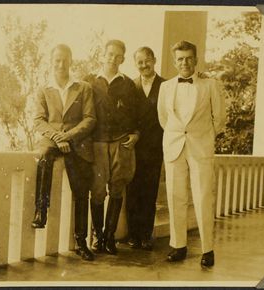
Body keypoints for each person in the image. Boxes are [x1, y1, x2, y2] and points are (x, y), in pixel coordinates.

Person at [157, 40, 226, 267]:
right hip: (174, 146)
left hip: (200, 147)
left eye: (188, 58)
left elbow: (220, 118)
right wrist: (179, 135)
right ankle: (178, 246)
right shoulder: (165, 87)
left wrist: (203, 137)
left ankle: (208, 249)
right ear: (174, 62)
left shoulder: (210, 85)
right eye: (180, 59)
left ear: (196, 59)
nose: (184, 63)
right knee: (175, 197)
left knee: (203, 196)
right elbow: (163, 119)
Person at [32, 44, 96, 261]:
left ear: (71, 61)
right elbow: (39, 120)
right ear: (51, 62)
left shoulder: (83, 87)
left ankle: (81, 241)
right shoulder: (44, 89)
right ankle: (41, 211)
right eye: (57, 60)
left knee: (81, 191)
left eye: (65, 60)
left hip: (77, 143)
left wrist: (67, 137)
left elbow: (90, 119)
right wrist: (57, 138)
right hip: (51, 141)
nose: (61, 64)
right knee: (42, 158)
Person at [85, 39, 140, 255]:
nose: (113, 59)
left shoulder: (128, 84)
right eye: (110, 54)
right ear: (103, 54)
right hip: (97, 142)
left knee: (117, 188)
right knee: (98, 191)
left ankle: (110, 237)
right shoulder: (90, 81)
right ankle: (98, 236)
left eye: (118, 56)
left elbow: (136, 115)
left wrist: (136, 134)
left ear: (123, 59)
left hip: (120, 142)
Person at [126, 47, 165, 251]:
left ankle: (146, 235)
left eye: (147, 60)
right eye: (140, 62)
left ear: (154, 60)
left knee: (149, 192)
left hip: (156, 147)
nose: (144, 65)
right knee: (133, 190)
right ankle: (133, 235)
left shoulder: (166, 85)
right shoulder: (131, 86)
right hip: (134, 147)